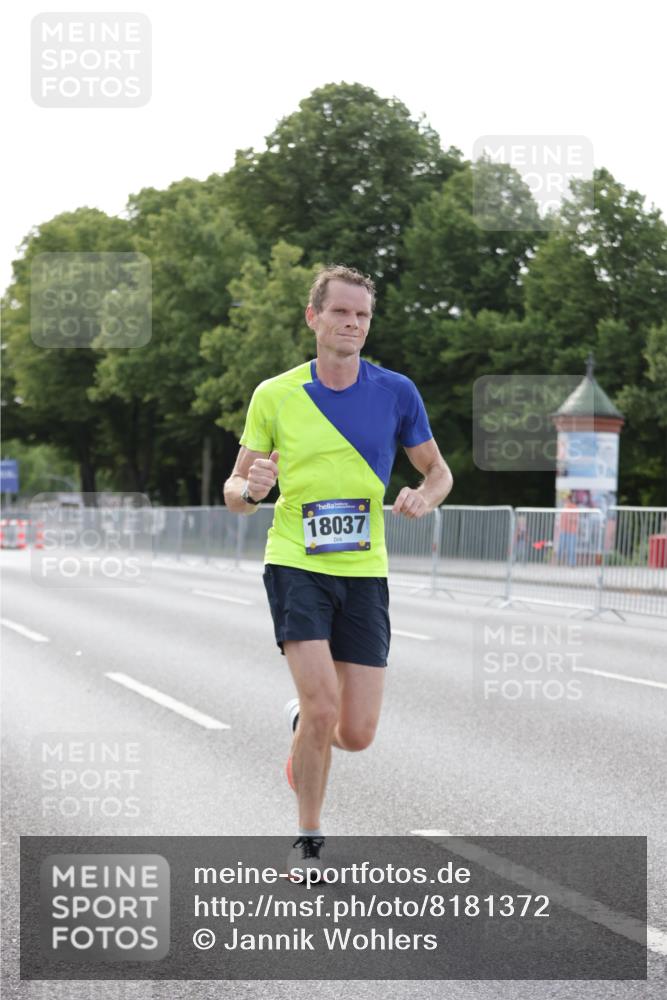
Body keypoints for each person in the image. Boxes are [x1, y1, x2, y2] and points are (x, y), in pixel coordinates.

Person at [224, 264, 453, 878]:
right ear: (314, 317)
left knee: (355, 733)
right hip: (296, 561)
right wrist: (252, 487)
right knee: (325, 707)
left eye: (362, 315)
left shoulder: (396, 392)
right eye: (340, 312)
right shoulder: (275, 394)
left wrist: (422, 498)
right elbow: (234, 490)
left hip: (365, 571)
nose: (352, 323)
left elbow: (439, 472)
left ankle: (304, 724)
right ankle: (308, 838)